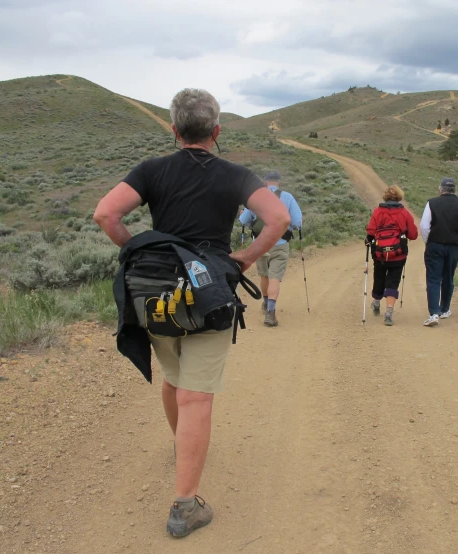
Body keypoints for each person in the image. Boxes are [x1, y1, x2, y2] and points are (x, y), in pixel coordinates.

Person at [93, 88, 290, 538]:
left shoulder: (152, 170)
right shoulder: (235, 175)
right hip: (208, 295)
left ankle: (182, 445)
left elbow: (106, 214)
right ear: (216, 131)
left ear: (175, 130)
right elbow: (277, 219)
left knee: (175, 379)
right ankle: (184, 506)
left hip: (158, 295)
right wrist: (240, 259)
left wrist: (143, 250)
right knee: (196, 394)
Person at [239, 171, 302, 327]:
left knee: (264, 276)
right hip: (280, 244)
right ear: (279, 182)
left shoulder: (256, 196)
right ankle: (270, 312)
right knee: (274, 277)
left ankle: (265, 303)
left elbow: (244, 220)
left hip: (260, 244)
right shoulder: (287, 197)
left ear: (265, 182)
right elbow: (297, 222)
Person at [419, 177, 458, 327]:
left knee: (433, 279)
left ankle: (434, 313)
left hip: (434, 246)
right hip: (454, 248)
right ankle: (445, 309)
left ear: (440, 189)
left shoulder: (432, 203)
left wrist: (429, 241)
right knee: (448, 277)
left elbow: (424, 226)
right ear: (455, 190)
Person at [365, 185, 418, 325]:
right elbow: (413, 234)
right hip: (398, 254)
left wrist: (368, 240)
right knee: (393, 282)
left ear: (385, 197)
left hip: (379, 253)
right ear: (399, 197)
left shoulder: (377, 212)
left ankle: (376, 302)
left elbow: (371, 231)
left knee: (379, 277)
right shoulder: (404, 213)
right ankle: (388, 313)